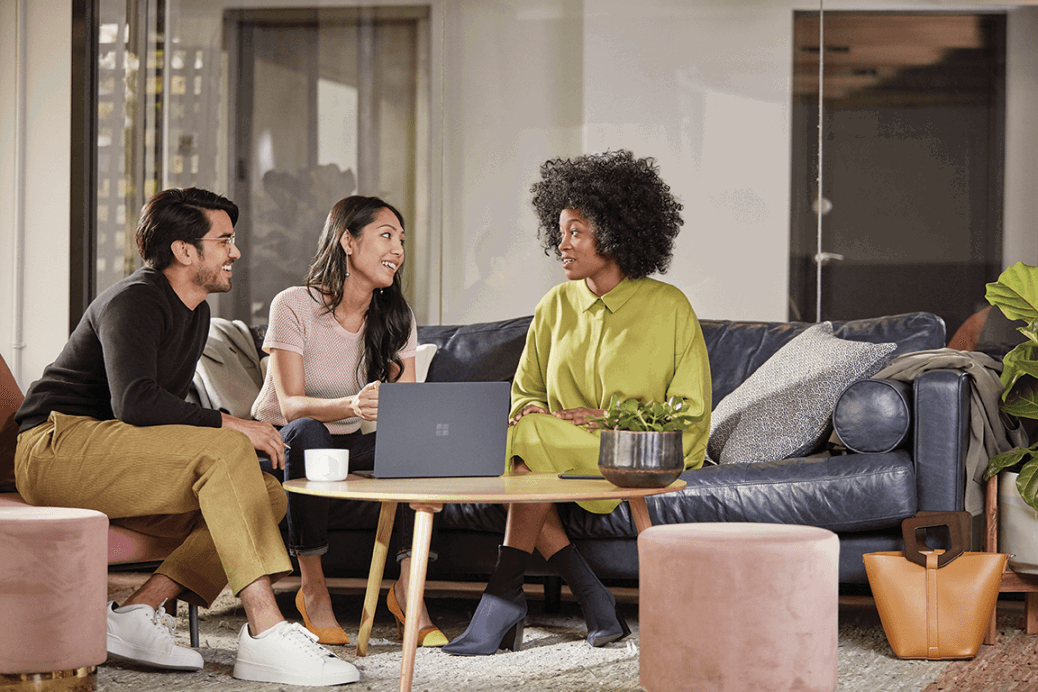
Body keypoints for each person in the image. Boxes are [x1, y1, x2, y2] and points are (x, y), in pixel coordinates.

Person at [13, 188, 359, 686]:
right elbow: (135, 404)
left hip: (113, 450)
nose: (235, 252)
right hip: (55, 446)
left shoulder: (195, 313)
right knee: (227, 447)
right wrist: (232, 423)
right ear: (184, 250)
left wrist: (224, 431)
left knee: (266, 493)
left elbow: (157, 421)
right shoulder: (134, 301)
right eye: (224, 241)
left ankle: (136, 613)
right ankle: (266, 630)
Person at [444, 150, 711, 655]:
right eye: (560, 231)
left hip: (637, 451)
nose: (561, 245)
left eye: (576, 232)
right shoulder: (554, 306)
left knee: (521, 448)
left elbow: (690, 411)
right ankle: (586, 597)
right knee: (525, 450)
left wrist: (609, 419)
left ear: (615, 233)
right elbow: (525, 392)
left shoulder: (669, 306)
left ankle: (506, 599)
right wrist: (535, 412)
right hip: (558, 451)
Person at [251, 195, 446, 647]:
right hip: (283, 444)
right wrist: (353, 405)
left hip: (345, 444)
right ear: (347, 241)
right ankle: (312, 590)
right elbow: (292, 405)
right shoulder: (294, 305)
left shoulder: (396, 317)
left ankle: (407, 592)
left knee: (419, 445)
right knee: (308, 431)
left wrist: (414, 417)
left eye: (401, 239)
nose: (397, 248)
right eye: (385, 235)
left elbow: (409, 408)